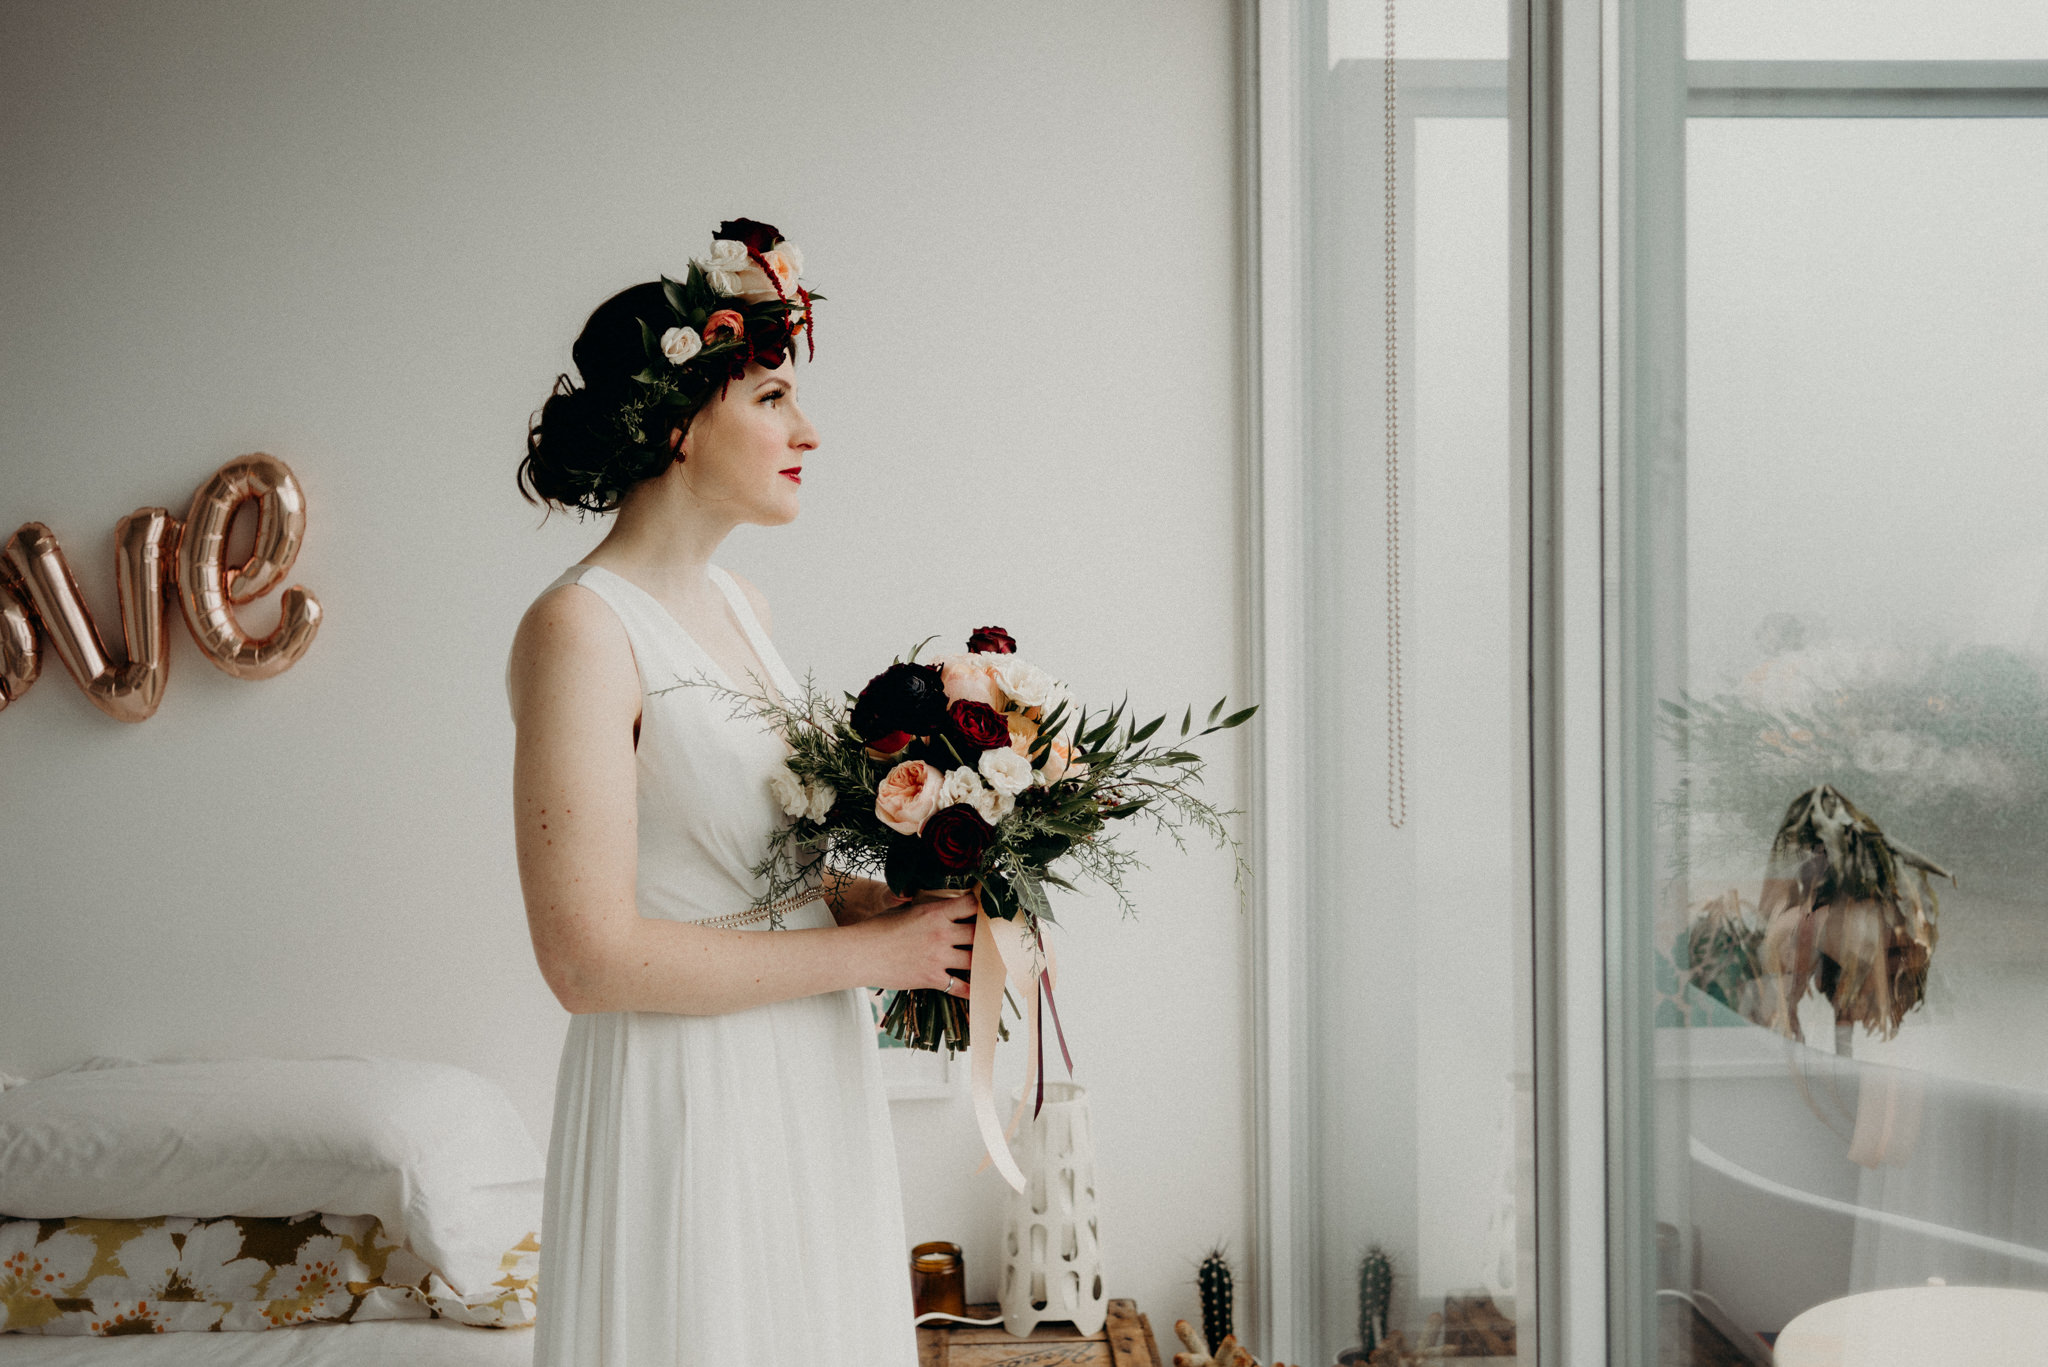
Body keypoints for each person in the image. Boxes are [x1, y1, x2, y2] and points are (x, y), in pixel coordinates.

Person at [504, 219, 970, 1365]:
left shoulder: (744, 607)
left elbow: (748, 870)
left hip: (805, 1078)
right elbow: (585, 959)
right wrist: (867, 959)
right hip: (685, 1098)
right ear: (675, 421)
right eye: (769, 397)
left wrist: (879, 906)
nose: (806, 430)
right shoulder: (579, 628)